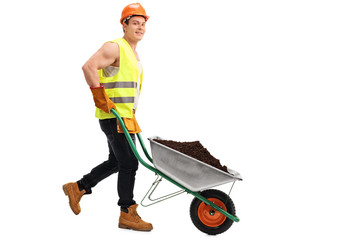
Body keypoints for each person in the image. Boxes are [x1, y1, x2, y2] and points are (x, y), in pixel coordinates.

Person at [62, 3, 153, 231]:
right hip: (113, 117)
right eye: (135, 23)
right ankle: (127, 212)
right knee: (129, 163)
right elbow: (88, 67)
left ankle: (79, 187)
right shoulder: (115, 47)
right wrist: (100, 98)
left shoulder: (133, 53)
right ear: (124, 25)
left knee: (117, 162)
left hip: (125, 118)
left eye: (143, 24)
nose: (140, 28)